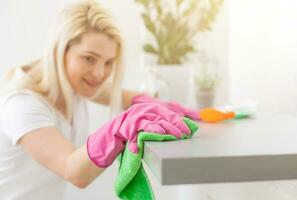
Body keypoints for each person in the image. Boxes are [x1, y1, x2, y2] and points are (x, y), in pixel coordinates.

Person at [0, 1, 220, 199]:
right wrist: (121, 126)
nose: (99, 73)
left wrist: (166, 108)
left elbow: (127, 97)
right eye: (89, 59)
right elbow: (73, 170)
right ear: (60, 50)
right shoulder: (23, 105)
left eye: (108, 63)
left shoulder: (72, 84)